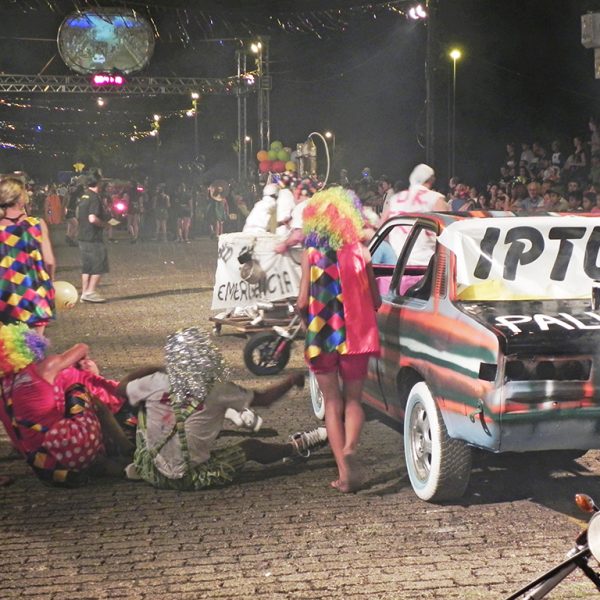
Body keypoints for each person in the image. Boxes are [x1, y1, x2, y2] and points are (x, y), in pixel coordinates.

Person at [121, 327, 327, 490]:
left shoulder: (156, 381)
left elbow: (120, 389)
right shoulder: (219, 389)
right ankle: (296, 447)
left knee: (144, 407)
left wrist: (158, 368)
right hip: (190, 477)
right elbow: (264, 399)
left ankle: (147, 460)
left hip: (150, 470)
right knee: (252, 447)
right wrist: (290, 381)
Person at [297, 187, 381, 493]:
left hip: (322, 334)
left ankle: (344, 474)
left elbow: (302, 301)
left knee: (332, 403)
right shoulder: (361, 252)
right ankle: (351, 447)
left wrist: (306, 319)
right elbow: (375, 299)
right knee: (354, 399)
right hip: (356, 336)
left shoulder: (311, 254)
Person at [0, 323, 134, 487]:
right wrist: (83, 364)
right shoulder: (46, 368)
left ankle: (102, 465)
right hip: (72, 449)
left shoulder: (4, 392)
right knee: (80, 392)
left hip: (44, 466)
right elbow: (81, 347)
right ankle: (127, 449)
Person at [0, 177, 55, 335]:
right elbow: (49, 261)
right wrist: (50, 284)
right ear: (21, 199)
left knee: (6, 352)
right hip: (32, 295)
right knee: (33, 349)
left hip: (3, 297)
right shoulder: (36, 224)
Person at [380, 163, 449, 261]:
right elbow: (448, 231)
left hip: (398, 263)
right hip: (428, 264)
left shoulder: (395, 199)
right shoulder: (435, 199)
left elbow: (382, 228)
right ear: (431, 179)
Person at [77, 171, 110, 303]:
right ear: (98, 182)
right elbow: (92, 218)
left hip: (83, 236)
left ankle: (84, 293)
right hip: (93, 237)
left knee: (87, 266)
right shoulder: (95, 197)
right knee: (99, 265)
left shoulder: (84, 196)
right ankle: (90, 291)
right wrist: (105, 225)